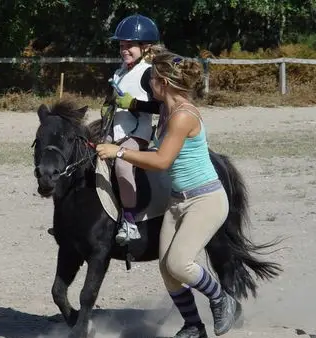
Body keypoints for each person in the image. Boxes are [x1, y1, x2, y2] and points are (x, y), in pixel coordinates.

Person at [95, 51, 241, 338]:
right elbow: (148, 106)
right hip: (178, 200)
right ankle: (193, 326)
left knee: (179, 263)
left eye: (152, 81)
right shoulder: (165, 108)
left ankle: (223, 299)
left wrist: (119, 151)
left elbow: (162, 160)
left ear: (163, 83)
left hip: (205, 200)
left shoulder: (183, 116)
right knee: (166, 269)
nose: (149, 85)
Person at [105, 14, 163, 245]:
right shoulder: (121, 70)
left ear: (145, 47)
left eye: (130, 46)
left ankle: (130, 222)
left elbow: (161, 106)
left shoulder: (149, 72)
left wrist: (134, 104)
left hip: (138, 135)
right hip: (114, 130)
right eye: (122, 46)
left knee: (121, 161)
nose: (124, 50)